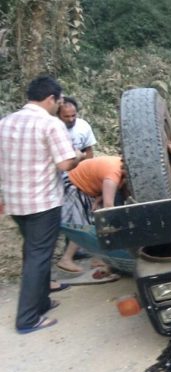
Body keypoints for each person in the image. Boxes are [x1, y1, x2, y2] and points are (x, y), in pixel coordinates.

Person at [0, 76, 84, 334]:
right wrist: (78, 156)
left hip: (16, 201)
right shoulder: (50, 124)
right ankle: (27, 319)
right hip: (42, 201)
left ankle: (42, 302)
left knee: (33, 251)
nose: (59, 107)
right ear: (51, 99)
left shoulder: (6, 122)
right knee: (38, 256)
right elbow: (64, 164)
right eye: (58, 102)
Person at [57, 156, 125, 273]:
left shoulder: (122, 167)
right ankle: (66, 259)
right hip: (74, 184)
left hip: (86, 186)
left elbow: (101, 182)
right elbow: (109, 207)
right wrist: (117, 228)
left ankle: (97, 258)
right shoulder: (114, 173)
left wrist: (99, 198)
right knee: (83, 225)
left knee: (93, 221)